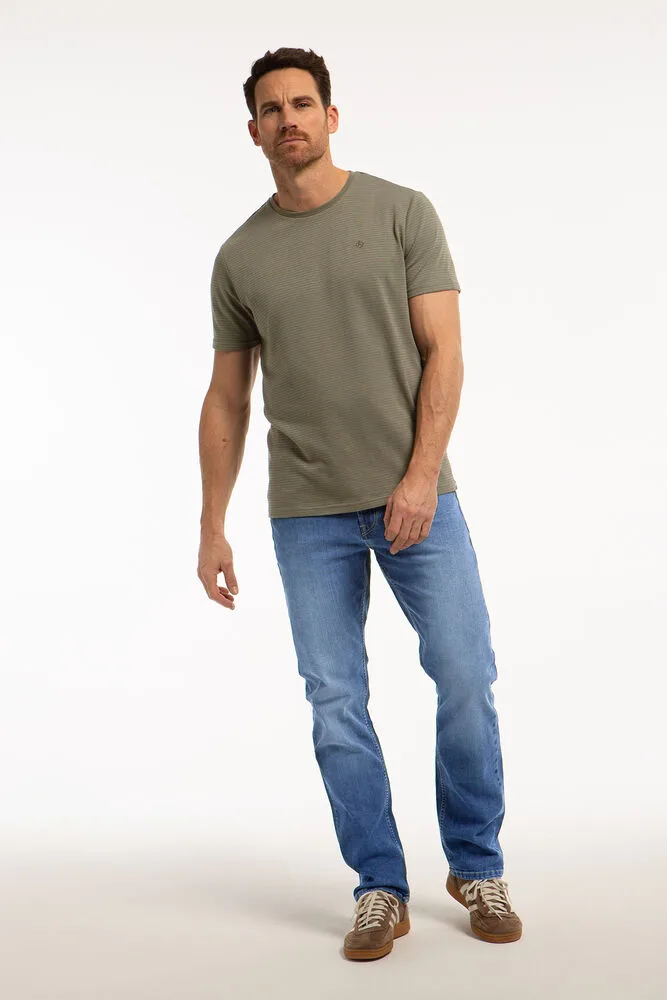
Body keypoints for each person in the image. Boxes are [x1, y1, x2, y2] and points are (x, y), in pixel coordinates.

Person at [198, 46, 522, 959]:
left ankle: (476, 863)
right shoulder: (240, 256)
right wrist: (210, 525)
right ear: (253, 131)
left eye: (303, 104)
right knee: (335, 700)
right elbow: (227, 398)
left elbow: (445, 351)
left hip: (417, 496)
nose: (289, 120)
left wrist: (419, 476)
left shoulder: (400, 212)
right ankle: (378, 885)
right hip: (307, 513)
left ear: (331, 117)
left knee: (465, 675)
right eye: (272, 109)